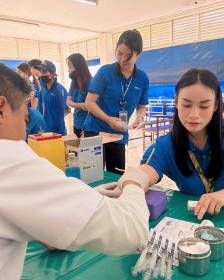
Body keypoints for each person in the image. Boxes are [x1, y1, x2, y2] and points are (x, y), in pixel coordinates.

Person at [0, 63, 149, 280]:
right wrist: (134, 181)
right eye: (24, 118)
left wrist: (85, 198)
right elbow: (133, 231)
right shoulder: (9, 161)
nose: (26, 131)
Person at [139, 68, 224, 220]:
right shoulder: (166, 145)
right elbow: (144, 174)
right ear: (176, 102)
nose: (194, 115)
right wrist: (131, 184)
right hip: (197, 221)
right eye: (186, 105)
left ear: (216, 105)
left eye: (204, 106)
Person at [84, 29, 149, 173]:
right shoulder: (105, 72)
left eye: (128, 56)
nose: (122, 59)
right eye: (119, 53)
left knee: (117, 175)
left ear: (138, 54)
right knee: (91, 174)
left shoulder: (143, 78)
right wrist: (108, 119)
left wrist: (140, 116)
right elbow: (89, 102)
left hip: (119, 133)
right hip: (95, 130)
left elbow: (142, 106)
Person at [37, 60, 68, 135]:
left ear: (52, 73)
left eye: (44, 72)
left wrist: (57, 121)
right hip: (46, 130)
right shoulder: (43, 89)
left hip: (58, 131)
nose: (41, 75)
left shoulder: (60, 90)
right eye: (41, 72)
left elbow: (67, 110)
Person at [66, 53, 91, 138]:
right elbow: (68, 101)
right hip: (77, 123)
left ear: (78, 67)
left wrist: (78, 105)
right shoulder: (74, 83)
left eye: (70, 67)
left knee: (88, 150)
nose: (68, 70)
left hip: (88, 127)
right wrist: (80, 105)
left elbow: (89, 106)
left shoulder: (91, 83)